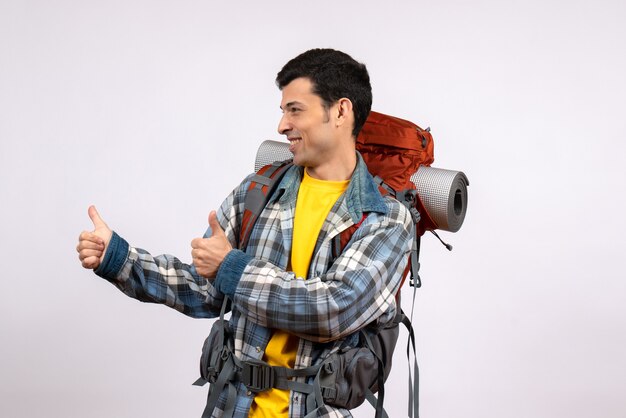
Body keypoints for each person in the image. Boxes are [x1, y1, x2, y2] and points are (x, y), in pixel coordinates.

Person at [77, 48, 414, 418]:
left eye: (295, 109)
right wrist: (119, 258)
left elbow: (330, 311)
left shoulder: (385, 217)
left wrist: (233, 269)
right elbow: (206, 289)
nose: (282, 125)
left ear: (340, 111)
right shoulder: (259, 190)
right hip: (232, 407)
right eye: (282, 110)